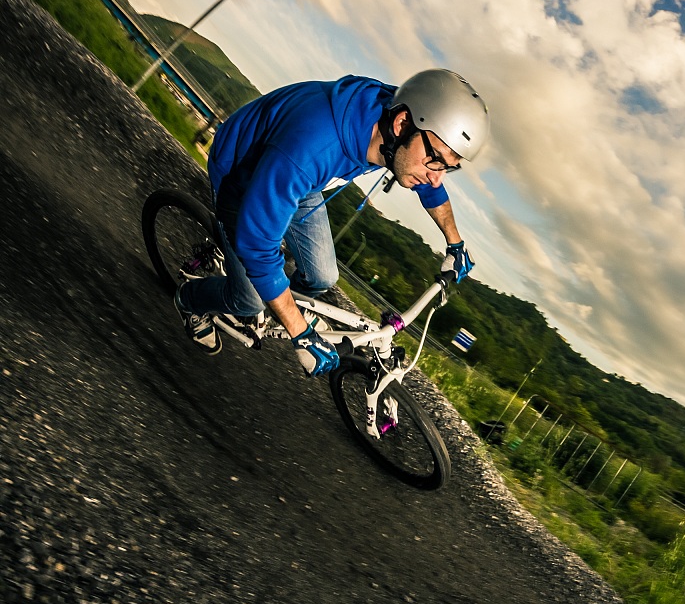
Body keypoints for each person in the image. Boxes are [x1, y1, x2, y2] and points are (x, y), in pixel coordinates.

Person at [174, 68, 489, 376]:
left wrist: (455, 243)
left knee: (322, 276)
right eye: (435, 162)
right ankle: (190, 300)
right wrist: (300, 332)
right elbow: (257, 246)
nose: (437, 178)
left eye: (448, 168)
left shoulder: (401, 128)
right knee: (247, 299)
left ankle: (270, 300)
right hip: (244, 171)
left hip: (301, 178)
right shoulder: (314, 144)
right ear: (402, 123)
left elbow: (430, 185)